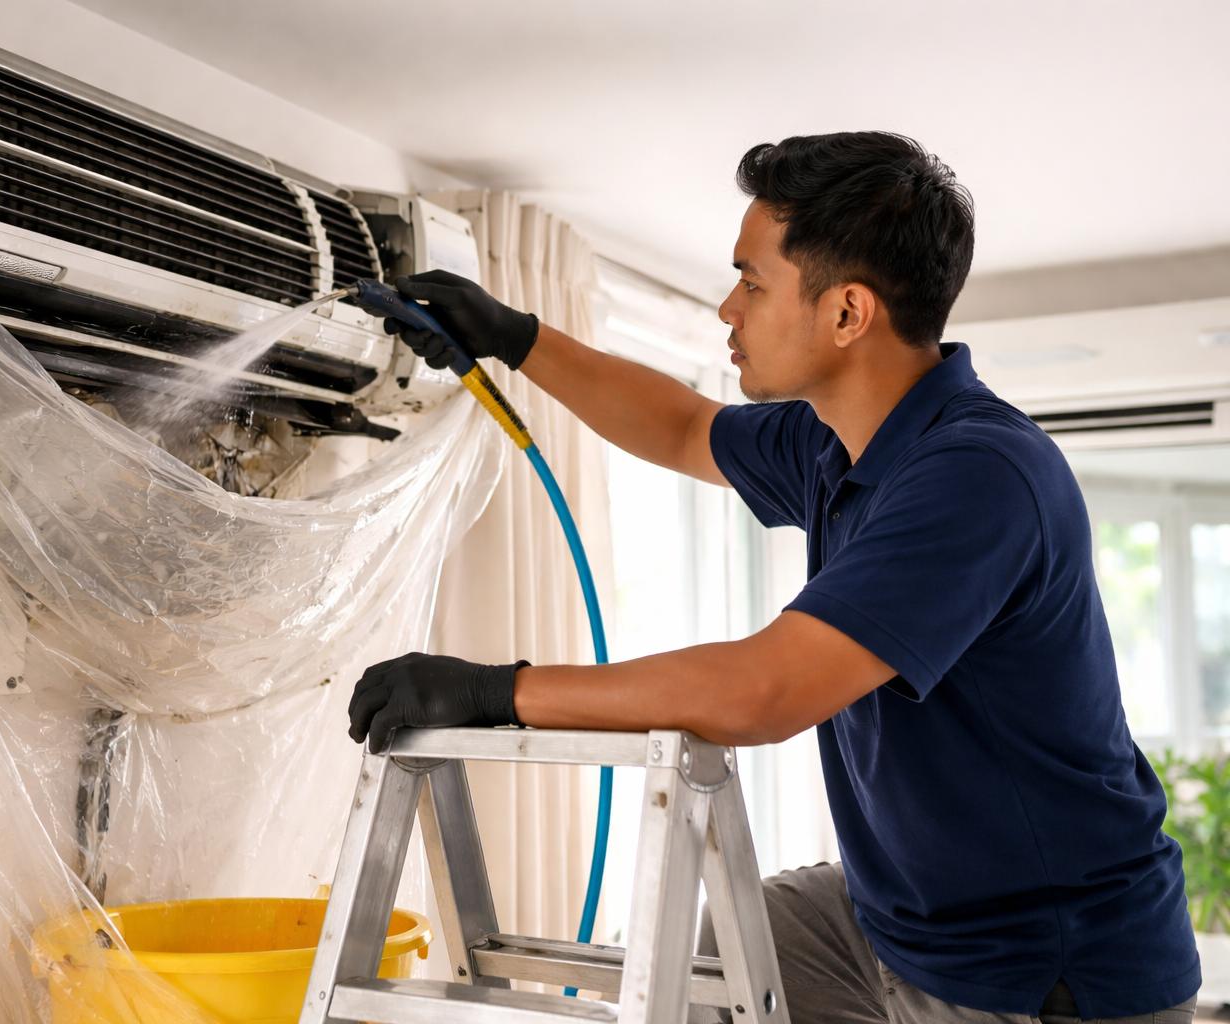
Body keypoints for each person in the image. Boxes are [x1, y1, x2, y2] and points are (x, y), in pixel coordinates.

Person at [344, 131, 1199, 1022]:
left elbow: (764, 690)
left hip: (1038, 966)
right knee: (705, 955)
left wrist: (494, 690)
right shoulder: (835, 441)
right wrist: (514, 339)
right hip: (892, 914)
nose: (728, 307)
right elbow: (681, 427)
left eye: (752, 283)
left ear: (846, 314)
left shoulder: (977, 475)